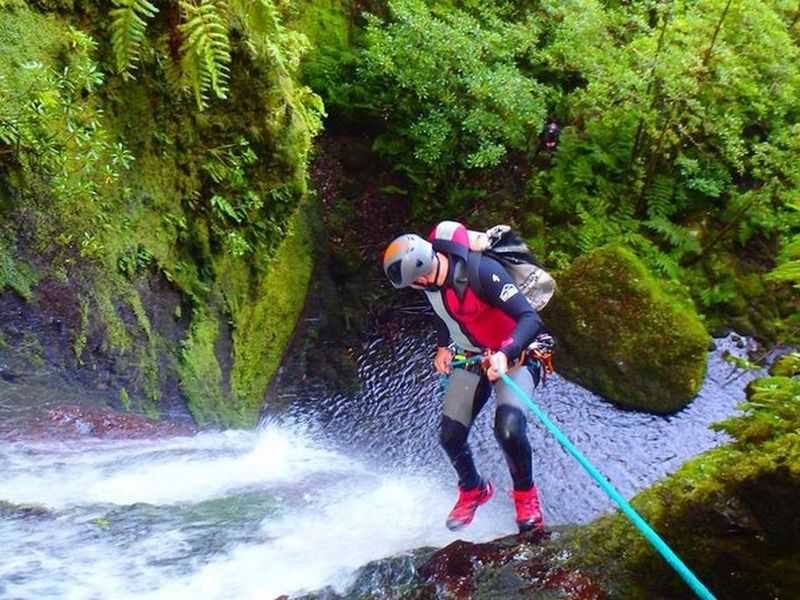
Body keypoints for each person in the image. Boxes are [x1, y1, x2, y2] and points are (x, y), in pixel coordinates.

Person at [382, 221, 553, 533]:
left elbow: (531, 319)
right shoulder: (431, 282)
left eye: (412, 284)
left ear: (421, 276)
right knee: (450, 435)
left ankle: (526, 497)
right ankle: (474, 488)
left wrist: (506, 352)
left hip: (516, 354)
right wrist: (441, 347)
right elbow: (442, 311)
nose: (414, 288)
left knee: (509, 429)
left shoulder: (482, 272)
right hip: (470, 354)